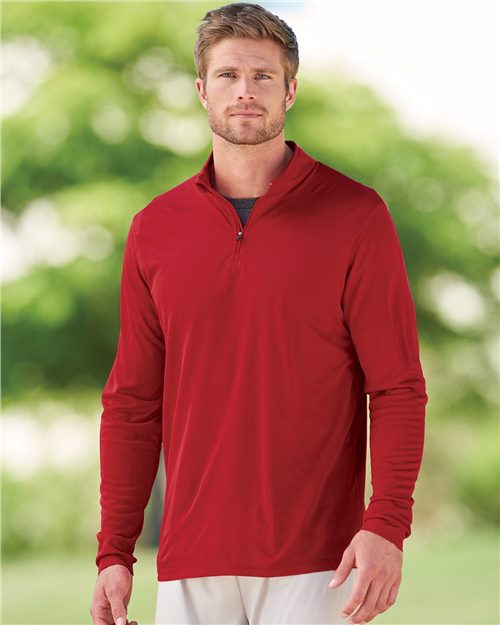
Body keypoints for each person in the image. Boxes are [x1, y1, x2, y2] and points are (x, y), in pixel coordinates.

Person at [90, 3, 428, 625]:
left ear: (289, 90)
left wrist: (387, 525)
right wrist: (114, 551)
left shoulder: (355, 216)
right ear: (202, 90)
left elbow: (397, 387)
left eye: (263, 75)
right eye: (228, 75)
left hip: (320, 561)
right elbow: (133, 402)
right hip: (191, 562)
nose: (245, 90)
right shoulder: (154, 229)